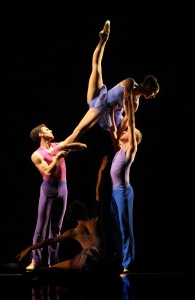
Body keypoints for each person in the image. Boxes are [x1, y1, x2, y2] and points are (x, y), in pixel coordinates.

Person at [59, 19, 159, 147]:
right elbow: (127, 99)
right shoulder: (130, 82)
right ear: (148, 87)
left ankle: (58, 149)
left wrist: (117, 139)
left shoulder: (135, 105)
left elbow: (124, 124)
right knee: (96, 67)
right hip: (100, 95)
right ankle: (103, 39)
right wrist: (127, 113)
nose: (153, 96)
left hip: (102, 110)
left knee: (78, 131)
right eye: (154, 92)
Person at [16, 155, 109, 272]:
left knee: (55, 267)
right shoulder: (95, 219)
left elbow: (50, 241)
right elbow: (99, 192)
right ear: (83, 208)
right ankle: (88, 263)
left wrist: (30, 247)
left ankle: (83, 264)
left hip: (86, 259)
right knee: (82, 259)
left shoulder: (74, 232)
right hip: (99, 259)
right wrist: (101, 172)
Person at [25, 123, 87, 271]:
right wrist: (58, 157)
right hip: (49, 189)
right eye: (47, 129)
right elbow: (47, 172)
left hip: (63, 188)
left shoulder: (57, 146)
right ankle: (36, 260)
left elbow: (81, 144)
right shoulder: (37, 154)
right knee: (41, 227)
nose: (51, 130)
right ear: (40, 134)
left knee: (56, 228)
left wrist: (69, 146)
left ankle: (53, 261)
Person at [109, 91, 142, 277]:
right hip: (114, 192)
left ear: (131, 138)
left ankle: (128, 264)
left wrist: (130, 107)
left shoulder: (130, 150)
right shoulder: (118, 150)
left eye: (128, 131)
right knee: (115, 226)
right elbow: (113, 131)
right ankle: (119, 258)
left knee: (124, 227)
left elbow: (131, 124)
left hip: (123, 192)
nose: (125, 130)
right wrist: (113, 115)